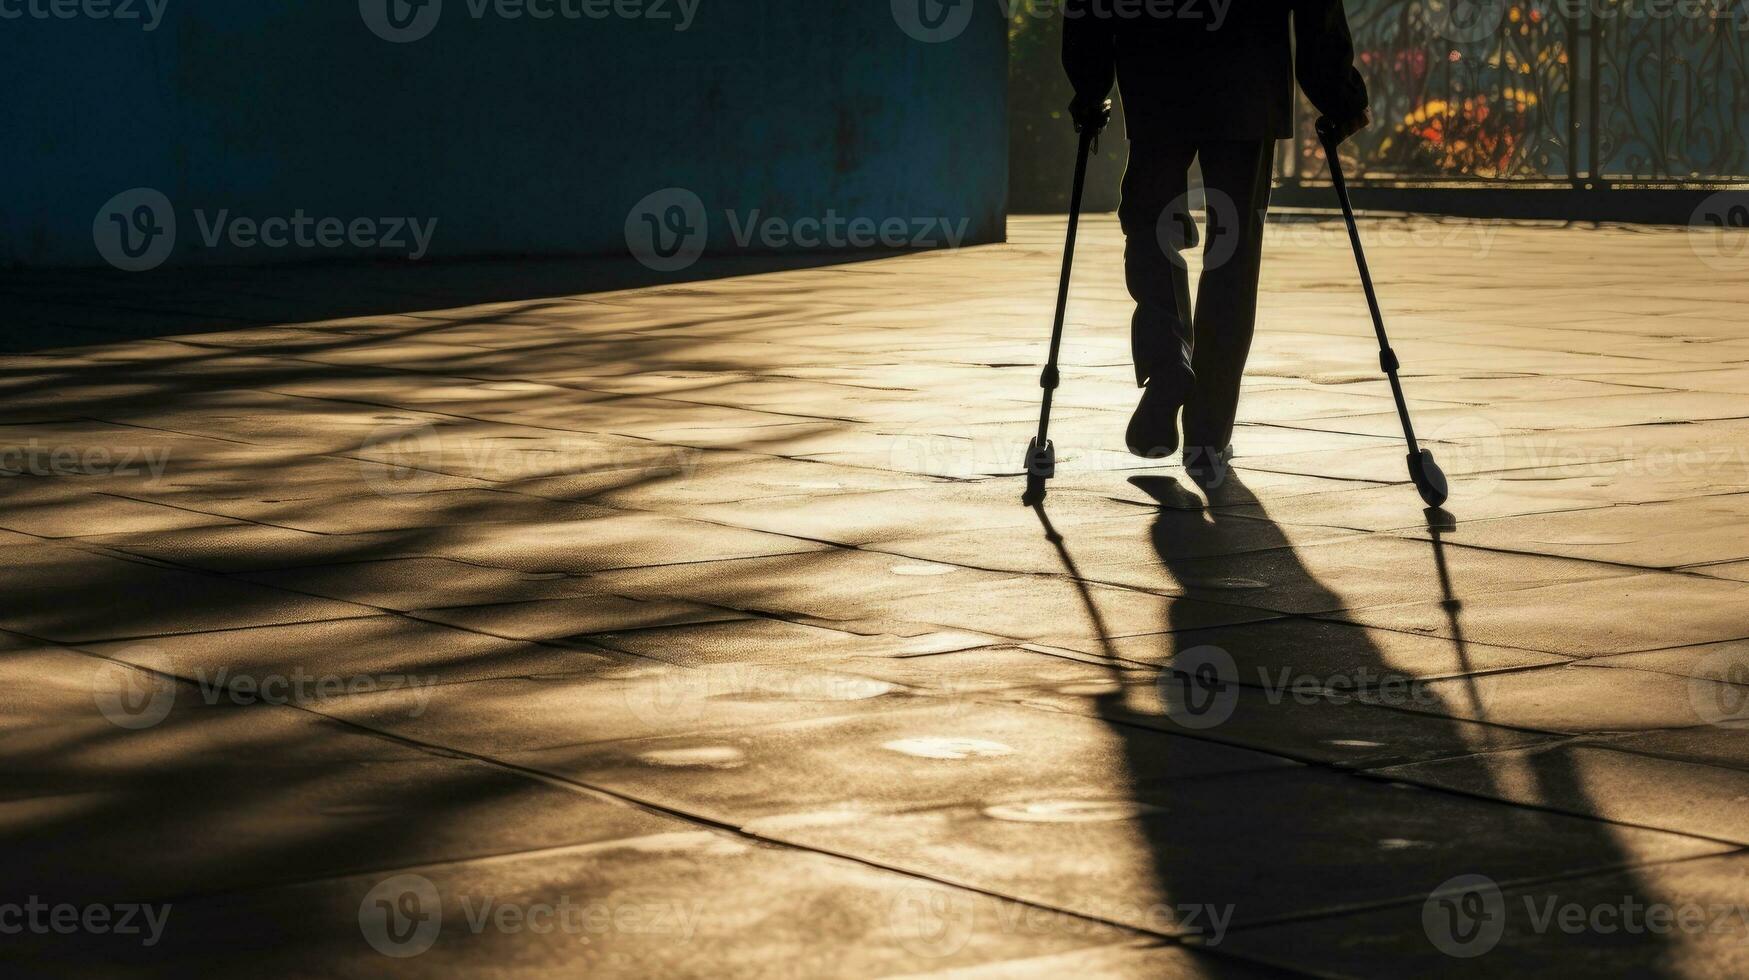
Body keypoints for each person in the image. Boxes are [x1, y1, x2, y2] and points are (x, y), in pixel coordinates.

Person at [1062, 0, 1371, 481]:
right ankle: (1208, 434)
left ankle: (1167, 360)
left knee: (1150, 219)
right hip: (1246, 69)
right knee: (1234, 249)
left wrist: (1089, 81)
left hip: (1156, 65)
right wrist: (1338, 93)